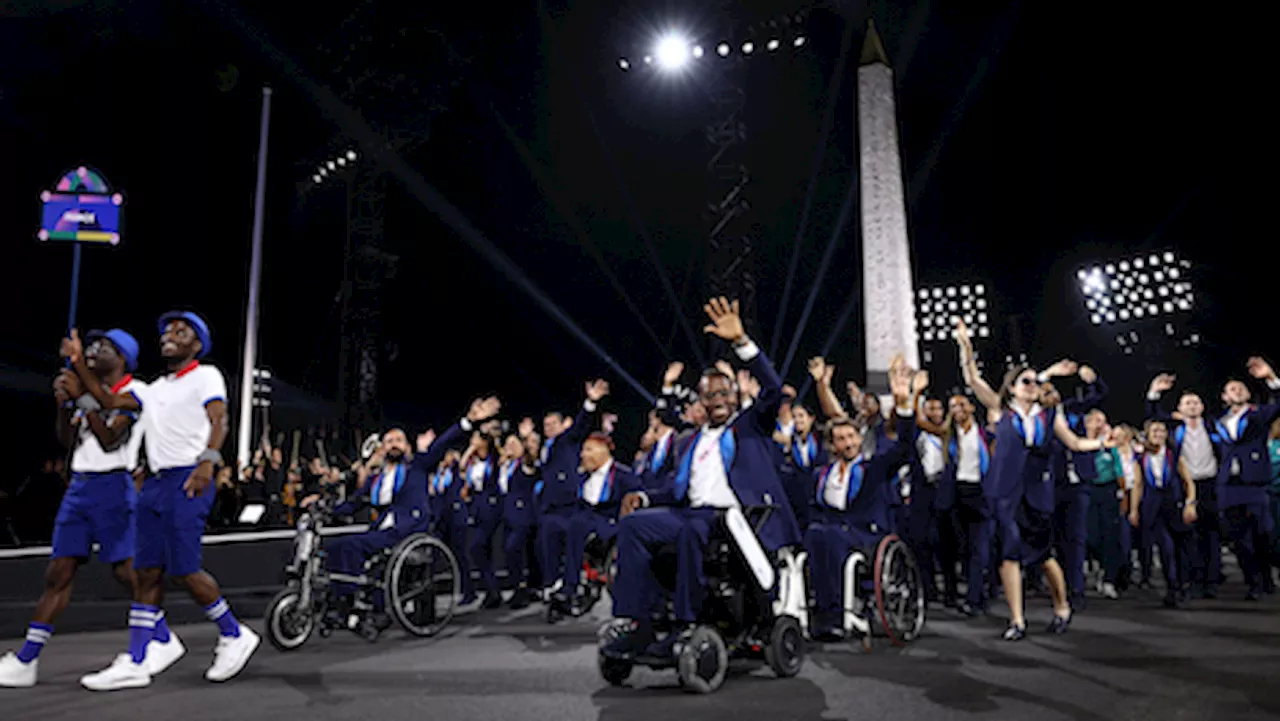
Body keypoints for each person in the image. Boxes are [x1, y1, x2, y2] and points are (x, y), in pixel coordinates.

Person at [603, 297, 801, 660]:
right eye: (710, 395)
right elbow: (675, 487)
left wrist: (743, 342)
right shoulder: (690, 439)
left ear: (736, 396)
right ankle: (638, 623)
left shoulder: (750, 426)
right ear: (701, 401)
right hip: (691, 512)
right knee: (633, 526)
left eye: (724, 392)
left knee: (693, 530)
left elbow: (774, 391)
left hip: (737, 519)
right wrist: (645, 499)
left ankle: (686, 622)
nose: (717, 399)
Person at [71, 312, 247, 688]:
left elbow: (220, 420)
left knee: (184, 570)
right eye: (167, 330)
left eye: (180, 332)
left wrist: (208, 461)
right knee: (145, 572)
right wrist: (80, 376)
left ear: (196, 345)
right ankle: (137, 660)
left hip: (190, 478)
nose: (169, 335)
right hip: (155, 482)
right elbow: (107, 399)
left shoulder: (207, 375)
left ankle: (234, 633)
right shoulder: (152, 389)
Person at [0, 329, 146, 688]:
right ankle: (27, 660)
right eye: (91, 346)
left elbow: (111, 440)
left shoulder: (135, 391)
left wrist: (82, 391)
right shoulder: (87, 392)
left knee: (126, 573)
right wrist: (63, 403)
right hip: (79, 486)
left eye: (103, 347)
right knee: (58, 572)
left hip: (114, 484)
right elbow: (66, 439)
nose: (94, 350)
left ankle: (151, 641)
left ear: (123, 358)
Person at [954, 320, 1109, 641]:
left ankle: (1062, 606)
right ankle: (1017, 620)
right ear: (1012, 387)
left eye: (1035, 382)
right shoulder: (1000, 410)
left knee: (1044, 557)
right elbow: (972, 378)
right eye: (1025, 381)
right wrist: (965, 345)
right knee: (1009, 554)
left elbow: (1075, 444)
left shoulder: (1051, 415)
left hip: (1037, 495)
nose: (1032, 385)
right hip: (1004, 494)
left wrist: (1104, 443)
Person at [803, 358, 918, 640]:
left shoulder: (873, 468)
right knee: (813, 534)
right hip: (832, 529)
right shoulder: (822, 473)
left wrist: (904, 406)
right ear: (833, 445)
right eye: (841, 439)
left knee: (826, 537)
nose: (848, 443)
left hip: (867, 533)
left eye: (852, 436)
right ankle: (817, 611)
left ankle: (836, 615)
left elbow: (904, 449)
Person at [1146, 374, 1225, 597]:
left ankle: (1211, 582)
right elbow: (1154, 416)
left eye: (1196, 402)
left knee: (1211, 535)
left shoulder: (1212, 425)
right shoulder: (1174, 427)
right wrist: (1155, 391)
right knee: (1188, 535)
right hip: (1184, 486)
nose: (1192, 406)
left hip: (1210, 484)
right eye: (1187, 403)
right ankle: (1191, 580)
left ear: (1202, 406)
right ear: (1180, 408)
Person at [552, 432, 641, 616]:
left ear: (604, 450)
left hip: (611, 520)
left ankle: (571, 586)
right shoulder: (582, 477)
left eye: (589, 449)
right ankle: (562, 584)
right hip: (586, 517)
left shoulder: (623, 475)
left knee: (578, 526)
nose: (583, 454)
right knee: (559, 526)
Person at [1212, 358, 1280, 599]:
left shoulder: (1258, 415)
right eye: (1232, 389)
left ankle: (1266, 577)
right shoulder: (1218, 423)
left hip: (1254, 482)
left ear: (1248, 393)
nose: (1237, 390)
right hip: (1229, 486)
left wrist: (1270, 377)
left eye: (1241, 387)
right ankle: (1253, 582)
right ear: (1224, 397)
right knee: (1238, 538)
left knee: (1262, 534)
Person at [536, 381, 606, 599]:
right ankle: (552, 585)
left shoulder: (566, 440)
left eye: (552, 424)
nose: (548, 428)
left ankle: (571, 587)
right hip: (550, 507)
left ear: (562, 424)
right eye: (545, 424)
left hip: (569, 506)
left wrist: (591, 402)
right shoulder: (546, 448)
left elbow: (580, 426)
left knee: (573, 546)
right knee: (547, 546)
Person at [1130, 419, 1197, 607]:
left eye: (1161, 431)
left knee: (1180, 549)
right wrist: (1134, 510)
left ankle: (1184, 585)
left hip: (1174, 506)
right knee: (1166, 549)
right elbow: (1138, 485)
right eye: (1154, 431)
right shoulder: (1141, 458)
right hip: (1153, 508)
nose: (1158, 434)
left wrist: (1190, 503)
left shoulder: (1174, 455)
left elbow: (1188, 482)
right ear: (1148, 434)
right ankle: (1172, 587)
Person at [498, 431, 539, 608]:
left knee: (513, 549)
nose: (510, 448)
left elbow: (531, 462)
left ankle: (522, 588)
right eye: (508, 445)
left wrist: (526, 445)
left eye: (515, 444)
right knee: (511, 552)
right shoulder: (504, 466)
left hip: (523, 516)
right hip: (507, 516)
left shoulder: (523, 465)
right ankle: (519, 587)